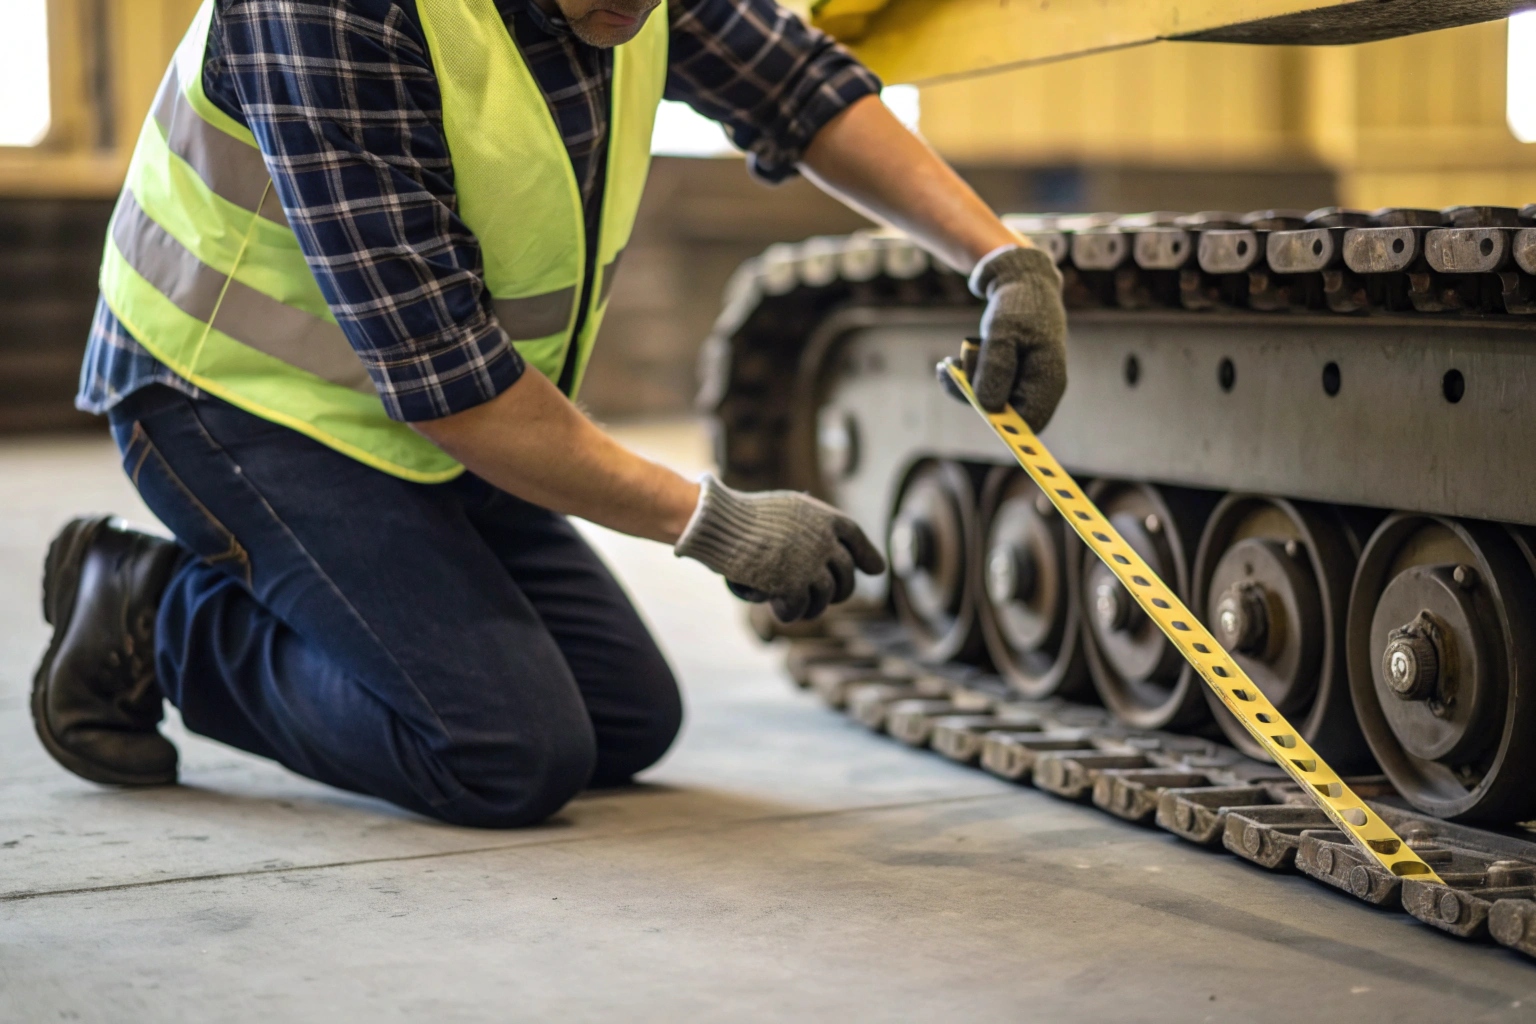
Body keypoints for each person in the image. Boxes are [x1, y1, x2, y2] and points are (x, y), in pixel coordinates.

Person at [31, 0, 1069, 827]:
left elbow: (794, 86)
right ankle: (149, 613)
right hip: (236, 402)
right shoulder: (334, 11)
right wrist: (714, 521)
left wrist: (1001, 257)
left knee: (625, 720)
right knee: (502, 753)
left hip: (421, 417)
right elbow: (452, 383)